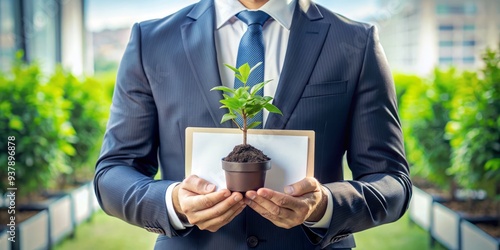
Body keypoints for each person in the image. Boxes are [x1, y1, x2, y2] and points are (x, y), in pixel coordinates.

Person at [94, 0, 412, 249]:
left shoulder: (355, 42)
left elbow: (392, 182)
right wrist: (173, 202)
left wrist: (324, 206)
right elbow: (113, 173)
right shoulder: (152, 41)